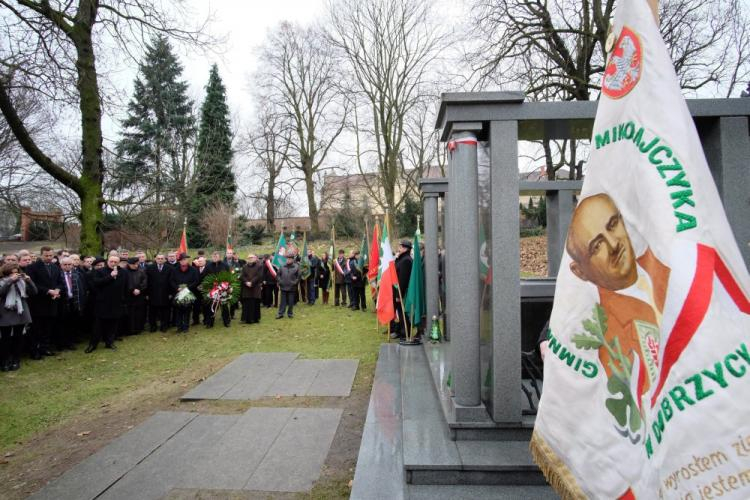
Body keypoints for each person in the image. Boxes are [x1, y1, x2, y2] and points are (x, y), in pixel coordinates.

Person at [561, 193, 668, 398]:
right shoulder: (602, 329)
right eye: (597, 245)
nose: (613, 244)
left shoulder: (674, 266)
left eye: (612, 225)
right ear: (579, 272)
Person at [26, 246, 63, 358]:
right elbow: (32, 284)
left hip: (52, 302)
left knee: (48, 328)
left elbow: (60, 282)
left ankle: (45, 348)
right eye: (46, 255)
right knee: (37, 328)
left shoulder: (55, 267)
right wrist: (48, 291)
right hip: (38, 302)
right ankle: (35, 350)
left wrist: (57, 289)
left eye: (50, 255)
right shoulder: (32, 267)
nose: (48, 257)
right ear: (41, 255)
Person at [86, 255, 128, 352]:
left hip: (116, 303)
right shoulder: (100, 271)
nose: (113, 264)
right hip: (102, 303)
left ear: (118, 262)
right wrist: (110, 276)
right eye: (111, 261)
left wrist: (124, 300)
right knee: (98, 326)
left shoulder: (123, 272)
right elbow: (96, 283)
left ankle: (109, 342)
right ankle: (93, 344)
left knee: (113, 325)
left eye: (115, 262)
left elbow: (125, 286)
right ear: (107, 261)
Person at [0, 263, 36, 371]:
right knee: (5, 339)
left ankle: (16, 360)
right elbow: (1, 293)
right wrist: (10, 281)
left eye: (16, 272)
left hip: (21, 312)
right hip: (6, 312)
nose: (15, 274)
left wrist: (29, 281)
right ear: (6, 273)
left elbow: (34, 292)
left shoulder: (22, 282)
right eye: (12, 273)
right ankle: (5, 361)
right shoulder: (2, 281)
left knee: (18, 337)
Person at [59, 256, 87, 349]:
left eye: (69, 264)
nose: (67, 266)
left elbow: (83, 289)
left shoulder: (78, 274)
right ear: (61, 265)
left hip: (75, 301)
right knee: (63, 323)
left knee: (73, 322)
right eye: (65, 265)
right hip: (63, 302)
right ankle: (62, 342)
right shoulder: (58, 275)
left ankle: (71, 341)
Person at [170, 253, 199, 333]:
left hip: (188, 292)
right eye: (182, 260)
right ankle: (179, 327)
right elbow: (171, 281)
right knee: (178, 311)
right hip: (178, 292)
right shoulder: (174, 270)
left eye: (185, 259)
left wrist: (187, 288)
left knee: (187, 310)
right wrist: (177, 288)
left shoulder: (193, 269)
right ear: (179, 261)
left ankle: (186, 327)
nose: (183, 261)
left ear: (188, 260)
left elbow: (196, 281)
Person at [391, 240, 413, 339]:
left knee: (402, 312)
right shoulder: (401, 258)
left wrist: (398, 295)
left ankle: (405, 333)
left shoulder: (406, 260)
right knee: (398, 312)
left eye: (400, 246)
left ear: (405, 248)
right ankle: (399, 330)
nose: (398, 248)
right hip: (396, 290)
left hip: (401, 292)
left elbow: (403, 279)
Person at [146, 254, 173, 332]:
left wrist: (171, 293)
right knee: (152, 312)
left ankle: (164, 326)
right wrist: (147, 293)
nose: (160, 260)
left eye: (162, 258)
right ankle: (153, 326)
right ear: (155, 259)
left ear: (165, 259)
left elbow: (171, 281)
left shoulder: (169, 268)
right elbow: (147, 282)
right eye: (158, 258)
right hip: (153, 293)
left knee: (165, 311)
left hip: (165, 293)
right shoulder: (150, 268)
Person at [124, 257, 148, 335]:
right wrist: (132, 290)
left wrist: (139, 289)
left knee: (139, 312)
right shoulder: (124, 272)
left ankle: (138, 328)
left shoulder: (141, 270)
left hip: (139, 295)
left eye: (136, 264)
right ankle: (129, 329)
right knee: (130, 313)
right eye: (133, 264)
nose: (135, 266)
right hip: (129, 296)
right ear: (129, 264)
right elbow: (125, 283)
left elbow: (144, 281)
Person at [240, 254, 263, 324]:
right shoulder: (244, 267)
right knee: (246, 304)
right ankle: (247, 319)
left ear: (255, 259)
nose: (250, 259)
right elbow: (242, 276)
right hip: (246, 288)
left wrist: (251, 282)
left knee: (255, 303)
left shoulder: (259, 266)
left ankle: (255, 319)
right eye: (249, 258)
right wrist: (246, 282)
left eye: (252, 257)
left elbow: (259, 276)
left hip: (255, 288)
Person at [276, 255, 300, 319]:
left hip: (292, 287)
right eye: (287, 259)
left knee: (291, 301)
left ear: (292, 260)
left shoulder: (296, 267)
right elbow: (278, 275)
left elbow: (298, 277)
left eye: (289, 259)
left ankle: (290, 313)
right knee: (282, 301)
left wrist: (294, 283)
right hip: (283, 286)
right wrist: (280, 281)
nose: (288, 260)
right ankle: (280, 313)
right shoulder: (282, 266)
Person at [193, 256, 208, 326]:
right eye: (199, 261)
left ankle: (206, 320)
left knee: (205, 306)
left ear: (205, 262)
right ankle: (195, 321)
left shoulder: (208, 269)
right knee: (196, 306)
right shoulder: (195, 269)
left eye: (201, 261)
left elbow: (210, 279)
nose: (200, 262)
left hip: (205, 291)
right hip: (196, 291)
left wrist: (203, 286)